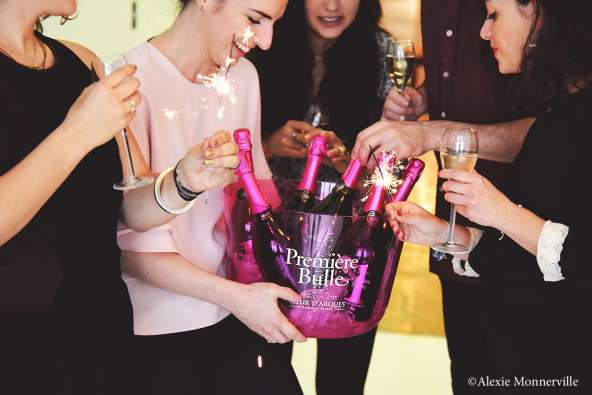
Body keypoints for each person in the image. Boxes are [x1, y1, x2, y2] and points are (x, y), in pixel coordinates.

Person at [0, 1, 241, 394]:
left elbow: (132, 205)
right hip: (15, 346)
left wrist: (183, 181)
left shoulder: (84, 63)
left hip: (99, 331)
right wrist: (76, 134)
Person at [382, 0, 590, 391]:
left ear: (538, 12)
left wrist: (501, 212)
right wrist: (447, 234)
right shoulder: (559, 111)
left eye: (494, 15)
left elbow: (578, 259)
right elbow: (529, 257)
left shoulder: (577, 116)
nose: (483, 30)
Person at [117, 1, 306, 394]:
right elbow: (130, 250)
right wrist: (237, 298)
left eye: (274, 24)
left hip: (238, 313)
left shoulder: (244, 77)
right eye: (255, 20)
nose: (267, 42)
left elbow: (257, 202)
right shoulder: (126, 85)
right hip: (160, 332)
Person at [355, 1, 533, 393]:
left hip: (526, 230)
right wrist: (424, 100)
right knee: (468, 373)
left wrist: (430, 133)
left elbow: (548, 129)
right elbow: (457, 86)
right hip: (452, 226)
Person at [249, 1, 396, 393]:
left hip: (350, 239)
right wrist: (269, 143)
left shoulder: (382, 53)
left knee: (343, 375)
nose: (332, 6)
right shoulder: (263, 40)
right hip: (272, 228)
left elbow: (393, 172)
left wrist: (349, 159)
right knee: (267, 365)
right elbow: (229, 144)